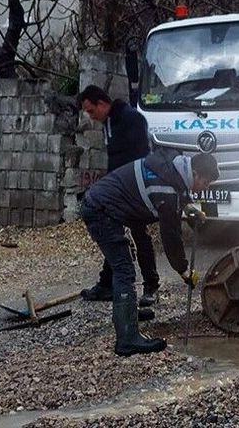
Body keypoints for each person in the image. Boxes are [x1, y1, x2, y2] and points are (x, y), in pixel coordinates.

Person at [80, 148, 219, 355]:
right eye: (205, 183)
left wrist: (188, 207)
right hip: (101, 210)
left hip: (113, 205)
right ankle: (127, 339)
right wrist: (184, 271)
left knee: (123, 253)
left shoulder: (173, 164)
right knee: (124, 270)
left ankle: (121, 306)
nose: (203, 188)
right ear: (196, 174)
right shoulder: (166, 190)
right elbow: (171, 238)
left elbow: (177, 190)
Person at [78, 85, 161, 308]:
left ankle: (151, 286)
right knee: (112, 234)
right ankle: (107, 283)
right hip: (117, 188)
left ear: (102, 104)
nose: (90, 117)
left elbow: (140, 156)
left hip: (133, 188)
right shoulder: (108, 124)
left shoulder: (131, 119)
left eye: (91, 111)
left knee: (139, 234)